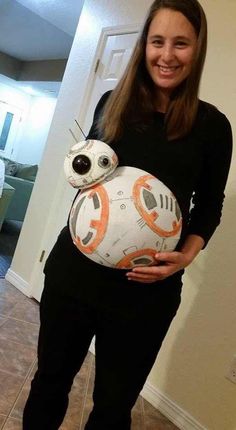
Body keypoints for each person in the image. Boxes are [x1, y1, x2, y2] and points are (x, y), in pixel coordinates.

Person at [23, 0, 232, 429]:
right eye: (157, 41)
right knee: (49, 383)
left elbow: (210, 206)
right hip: (73, 276)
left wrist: (186, 256)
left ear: (198, 49)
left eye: (181, 43)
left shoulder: (213, 127)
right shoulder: (110, 103)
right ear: (144, 46)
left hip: (146, 296)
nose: (167, 55)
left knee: (113, 408)